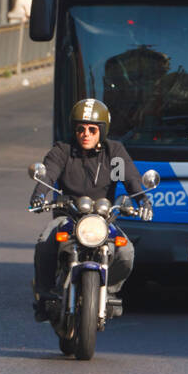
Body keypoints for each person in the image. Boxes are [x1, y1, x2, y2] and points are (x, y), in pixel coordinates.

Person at [31, 99, 151, 321]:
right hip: (68, 216)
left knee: (126, 252)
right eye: (81, 129)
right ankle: (45, 296)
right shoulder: (63, 150)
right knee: (45, 240)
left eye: (92, 129)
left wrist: (143, 200)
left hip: (103, 219)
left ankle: (110, 291)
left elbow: (132, 178)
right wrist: (39, 195)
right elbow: (48, 174)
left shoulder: (114, 151)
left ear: (102, 130)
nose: (86, 134)